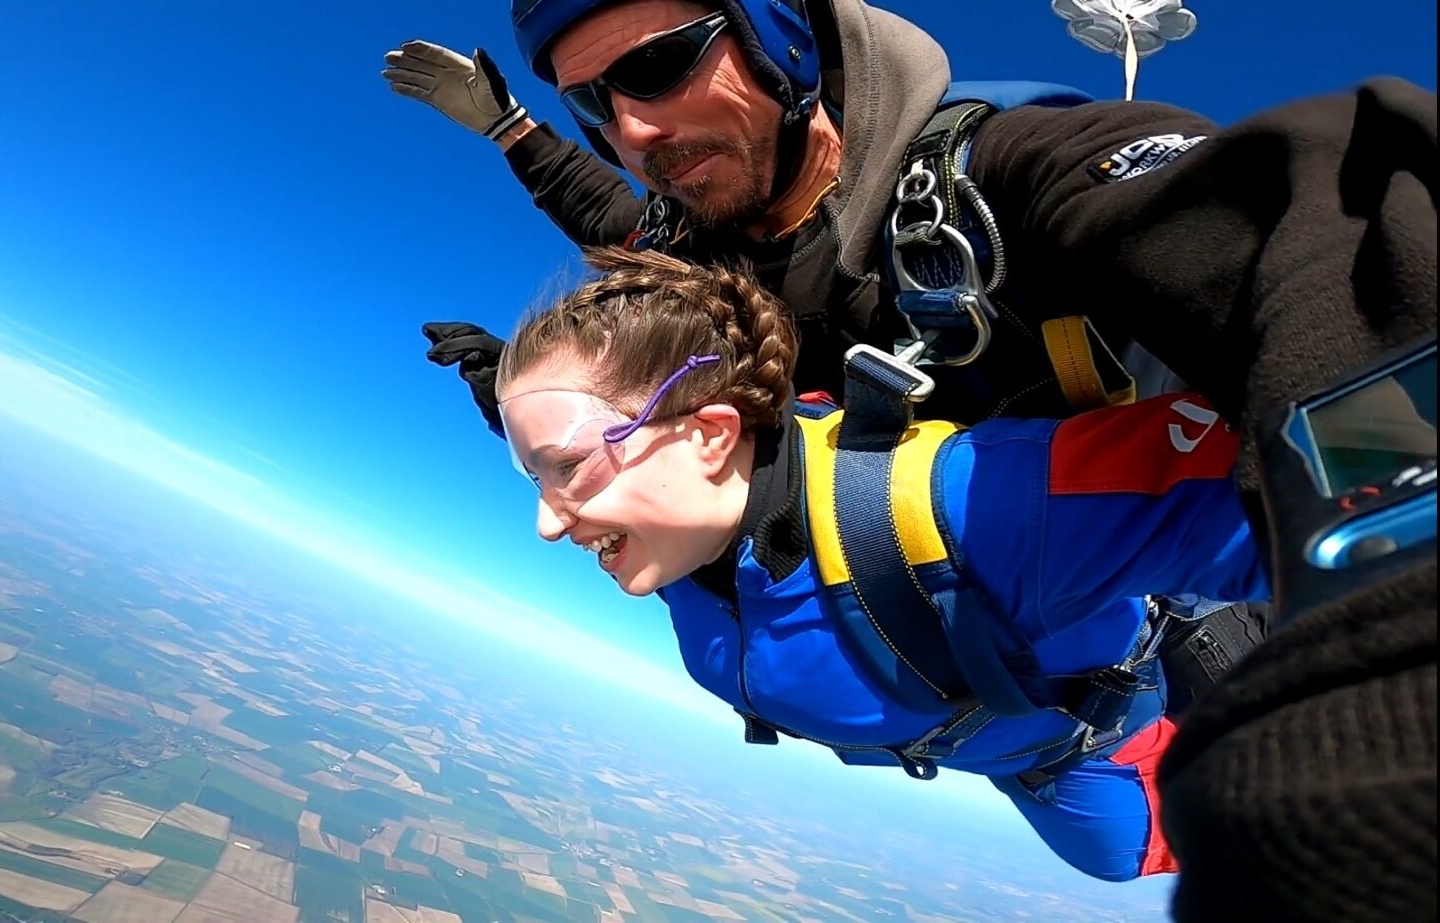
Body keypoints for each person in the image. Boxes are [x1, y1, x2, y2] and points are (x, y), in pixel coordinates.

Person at [388, 0, 1277, 745]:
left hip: (1168, 610)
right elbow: (604, 207)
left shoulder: (992, 186)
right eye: (591, 99)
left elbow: (1260, 231)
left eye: (659, 65)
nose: (629, 126)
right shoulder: (698, 253)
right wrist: (567, 427)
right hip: (966, 664)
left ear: (782, 35)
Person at [495, 244, 1269, 882]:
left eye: (563, 467)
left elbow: (1324, 479)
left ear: (706, 435)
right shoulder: (686, 537)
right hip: (1001, 741)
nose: (544, 523)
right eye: (537, 475)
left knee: (1147, 852)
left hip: (1092, 764)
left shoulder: (970, 509)